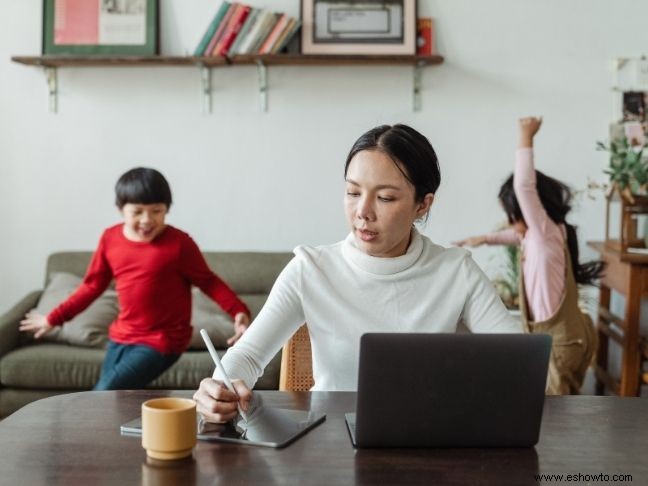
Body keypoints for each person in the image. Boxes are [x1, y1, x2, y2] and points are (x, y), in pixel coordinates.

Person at [193, 124, 522, 423]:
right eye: (352, 193)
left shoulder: (456, 271)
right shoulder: (311, 269)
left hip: (430, 442)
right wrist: (220, 386)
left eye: (385, 197)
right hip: (330, 447)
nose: (363, 212)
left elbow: (518, 361)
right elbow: (248, 355)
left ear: (423, 205)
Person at [19, 167, 251, 390]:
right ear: (121, 209)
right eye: (137, 212)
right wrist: (54, 318)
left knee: (103, 393)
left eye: (156, 211)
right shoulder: (110, 239)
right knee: (113, 401)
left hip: (163, 341)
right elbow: (91, 286)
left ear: (167, 209)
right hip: (122, 336)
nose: (147, 220)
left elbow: (208, 281)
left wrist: (238, 311)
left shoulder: (179, 244)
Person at [454, 117, 604, 395]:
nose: (511, 225)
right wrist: (485, 239)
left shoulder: (543, 231)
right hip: (566, 336)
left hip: (559, 343)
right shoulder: (546, 235)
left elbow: (524, 186)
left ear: (527, 212)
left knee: (554, 414)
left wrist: (526, 137)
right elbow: (516, 236)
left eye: (511, 216)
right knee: (555, 408)